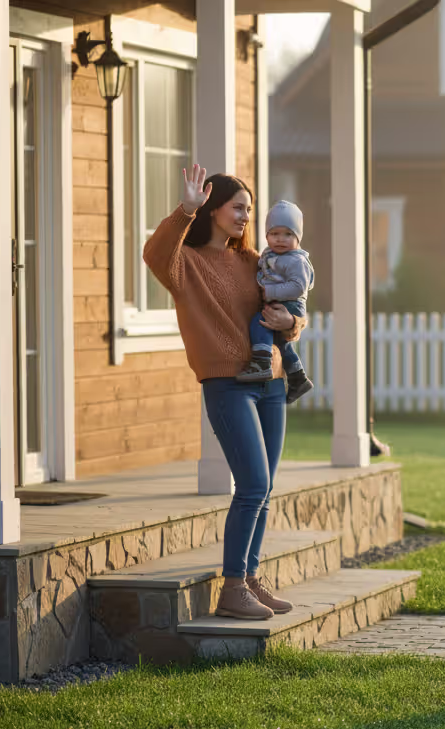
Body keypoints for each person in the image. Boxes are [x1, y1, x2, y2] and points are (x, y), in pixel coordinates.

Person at [143, 164, 307, 621]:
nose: (245, 217)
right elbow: (154, 254)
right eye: (238, 207)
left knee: (265, 487)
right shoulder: (185, 264)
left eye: (249, 210)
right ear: (213, 209)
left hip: (271, 383)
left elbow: (292, 310)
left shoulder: (254, 261)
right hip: (227, 385)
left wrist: (291, 324)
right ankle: (232, 587)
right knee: (252, 482)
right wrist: (184, 211)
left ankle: (250, 580)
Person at [236, 200, 315, 405]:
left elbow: (298, 286)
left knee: (260, 321)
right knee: (281, 343)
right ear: (266, 235)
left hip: (290, 303)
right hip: (279, 301)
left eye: (288, 234)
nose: (280, 239)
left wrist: (269, 292)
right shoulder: (268, 255)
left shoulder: (296, 260)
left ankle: (261, 362)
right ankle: (298, 377)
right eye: (274, 234)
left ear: (298, 237)